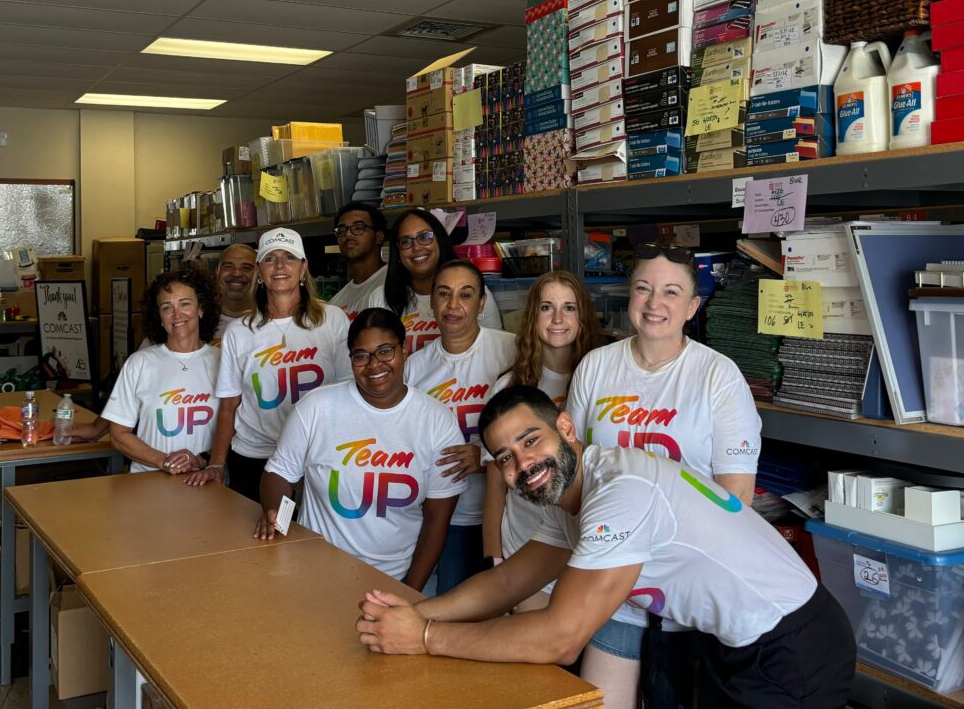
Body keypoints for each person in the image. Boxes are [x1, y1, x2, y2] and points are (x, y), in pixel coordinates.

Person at [357, 386, 856, 709]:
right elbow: (510, 580)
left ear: (567, 429)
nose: (521, 465)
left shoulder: (621, 492)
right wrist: (419, 612)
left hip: (792, 648)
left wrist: (423, 637)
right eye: (504, 458)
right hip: (743, 643)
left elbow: (560, 638)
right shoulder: (578, 490)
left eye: (531, 441)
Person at [565, 241, 762, 707]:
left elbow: (737, 502)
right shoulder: (596, 366)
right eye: (643, 289)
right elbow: (573, 473)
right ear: (628, 295)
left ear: (693, 306)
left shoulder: (718, 376)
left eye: (671, 293)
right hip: (610, 581)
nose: (655, 304)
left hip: (687, 594)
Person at [254, 308, 465, 591]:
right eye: (361, 355)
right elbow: (279, 475)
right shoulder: (316, 407)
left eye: (385, 351)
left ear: (403, 351)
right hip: (313, 574)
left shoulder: (437, 421)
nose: (374, 364)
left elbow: (437, 519)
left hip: (394, 578)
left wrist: (410, 593)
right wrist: (275, 514)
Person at [185, 227, 351, 501]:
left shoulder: (332, 320)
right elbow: (229, 404)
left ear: (303, 267)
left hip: (315, 454)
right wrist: (216, 462)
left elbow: (347, 393)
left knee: (308, 541)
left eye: (289, 257)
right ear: (259, 272)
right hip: (253, 457)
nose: (280, 265)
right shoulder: (239, 331)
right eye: (270, 259)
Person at [482, 270, 600, 612]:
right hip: (525, 546)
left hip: (590, 547)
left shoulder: (601, 379)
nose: (559, 319)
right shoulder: (509, 388)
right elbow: (494, 486)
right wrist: (495, 557)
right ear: (533, 316)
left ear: (583, 317)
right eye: (547, 308)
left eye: (570, 308)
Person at [405, 260, 515, 593]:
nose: (454, 305)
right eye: (444, 294)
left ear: (482, 303)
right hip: (441, 517)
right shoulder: (415, 367)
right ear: (432, 303)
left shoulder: (510, 349)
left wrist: (482, 455)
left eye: (466, 295)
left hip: (501, 515)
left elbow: (536, 428)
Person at [101, 267, 221, 473]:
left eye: (185, 304)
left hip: (207, 483)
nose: (176, 314)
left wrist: (202, 460)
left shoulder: (223, 362)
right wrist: (164, 461)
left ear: (201, 308)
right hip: (150, 483)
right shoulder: (139, 363)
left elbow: (237, 429)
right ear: (159, 316)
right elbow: (119, 435)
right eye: (167, 307)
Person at [366, 209, 501, 354]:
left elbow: (495, 352)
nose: (416, 247)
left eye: (425, 237)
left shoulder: (472, 292)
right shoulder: (381, 298)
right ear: (397, 252)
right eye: (406, 241)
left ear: (440, 241)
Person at [328, 203, 388, 321]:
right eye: (342, 230)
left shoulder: (396, 282)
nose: (348, 234)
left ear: (378, 237)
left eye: (359, 228)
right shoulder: (335, 304)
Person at [214, 243, 257, 340]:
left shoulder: (270, 322)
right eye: (228, 266)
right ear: (217, 272)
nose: (236, 273)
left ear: (259, 275)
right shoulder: (198, 320)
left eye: (246, 268)